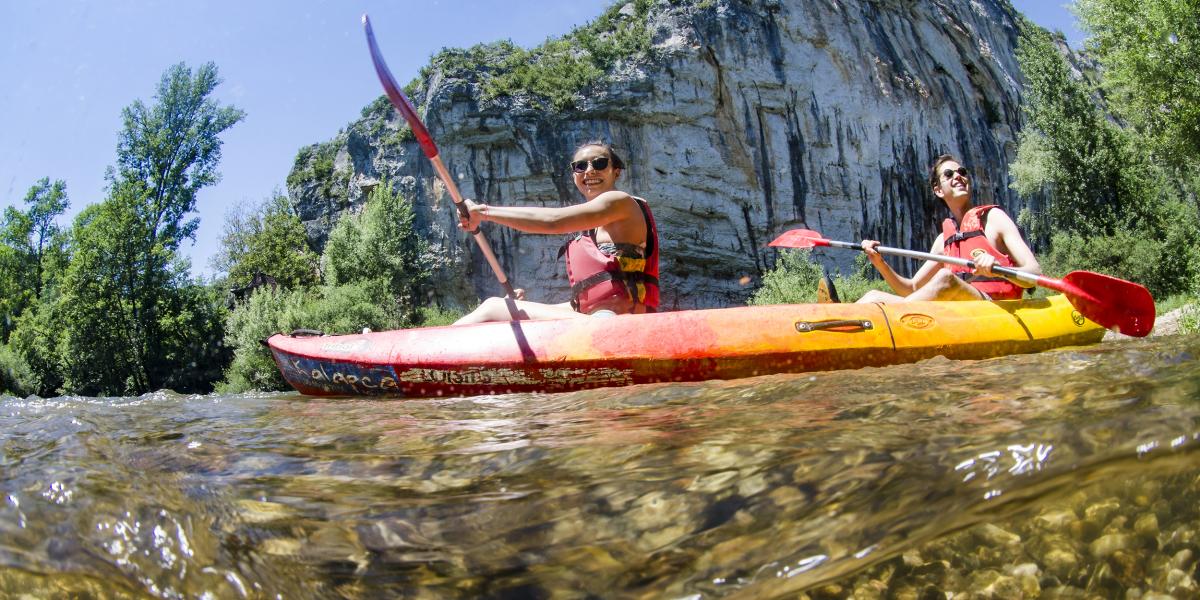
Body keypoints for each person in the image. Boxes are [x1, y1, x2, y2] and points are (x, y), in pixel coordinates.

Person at [452, 141, 659, 324]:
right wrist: (520, 309)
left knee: (492, 307)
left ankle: (432, 348)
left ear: (616, 172)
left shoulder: (620, 202)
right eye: (580, 166)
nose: (589, 171)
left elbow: (553, 221)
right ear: (574, 175)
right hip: (597, 318)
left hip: (616, 322)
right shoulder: (595, 226)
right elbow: (585, 305)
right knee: (505, 307)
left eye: (599, 163)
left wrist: (483, 212)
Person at [856, 153, 1040, 303]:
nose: (958, 176)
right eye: (949, 174)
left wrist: (1000, 269)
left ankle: (902, 313)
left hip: (996, 309)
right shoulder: (943, 241)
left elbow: (1034, 272)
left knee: (946, 278)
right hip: (959, 314)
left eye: (962, 172)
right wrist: (879, 263)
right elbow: (911, 289)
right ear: (938, 190)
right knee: (873, 297)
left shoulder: (994, 219)